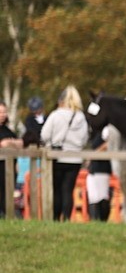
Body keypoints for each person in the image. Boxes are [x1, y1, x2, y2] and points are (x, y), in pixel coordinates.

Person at [38, 86, 89, 221]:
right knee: (68, 190)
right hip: (75, 158)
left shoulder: (56, 115)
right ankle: (66, 218)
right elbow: (84, 139)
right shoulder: (81, 117)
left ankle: (55, 218)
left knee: (57, 189)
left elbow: (44, 135)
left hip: (57, 156)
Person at [85, 126, 113, 223]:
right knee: (93, 197)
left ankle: (101, 220)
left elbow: (108, 144)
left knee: (102, 197)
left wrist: (94, 154)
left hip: (102, 168)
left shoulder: (106, 129)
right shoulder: (98, 131)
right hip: (94, 168)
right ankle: (94, 220)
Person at [0, 102, 22, 219]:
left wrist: (10, 143)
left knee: (7, 195)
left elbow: (20, 143)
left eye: (4, 112)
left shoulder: (7, 130)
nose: (3, 115)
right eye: (0, 112)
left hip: (8, 171)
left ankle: (6, 215)